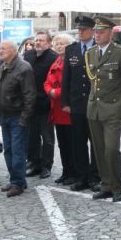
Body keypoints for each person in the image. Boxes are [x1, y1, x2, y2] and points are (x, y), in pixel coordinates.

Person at [85, 16, 121, 202]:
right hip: (94, 108)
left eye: (101, 32)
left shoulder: (120, 53)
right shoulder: (90, 53)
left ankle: (116, 187)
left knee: (111, 149)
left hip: (113, 108)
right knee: (99, 149)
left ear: (110, 33)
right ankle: (105, 184)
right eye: (96, 32)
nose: (97, 35)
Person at [62, 15, 100, 192]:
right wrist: (65, 102)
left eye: (83, 29)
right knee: (78, 142)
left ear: (92, 31)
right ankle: (81, 176)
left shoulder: (99, 48)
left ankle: (95, 177)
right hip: (77, 103)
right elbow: (66, 78)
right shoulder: (72, 50)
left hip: (95, 103)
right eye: (79, 29)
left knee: (96, 142)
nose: (80, 32)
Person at [0, 40, 36, 198]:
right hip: (5, 115)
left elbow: (30, 96)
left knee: (18, 151)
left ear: (13, 50)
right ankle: (16, 179)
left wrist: (24, 118)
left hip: (17, 116)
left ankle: (18, 183)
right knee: (9, 150)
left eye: (3, 49)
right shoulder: (3, 66)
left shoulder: (24, 67)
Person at [24, 31, 57, 179]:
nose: (38, 43)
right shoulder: (28, 55)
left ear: (49, 43)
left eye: (42, 41)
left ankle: (46, 166)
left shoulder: (53, 57)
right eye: (37, 40)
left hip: (45, 103)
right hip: (30, 103)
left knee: (47, 137)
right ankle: (33, 163)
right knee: (32, 137)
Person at [44, 33, 76, 185]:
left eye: (61, 43)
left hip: (67, 109)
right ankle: (66, 171)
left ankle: (73, 172)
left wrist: (54, 92)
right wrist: (49, 90)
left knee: (71, 143)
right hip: (57, 109)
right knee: (62, 144)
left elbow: (70, 85)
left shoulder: (71, 62)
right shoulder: (56, 61)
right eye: (56, 43)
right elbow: (47, 82)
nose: (58, 46)